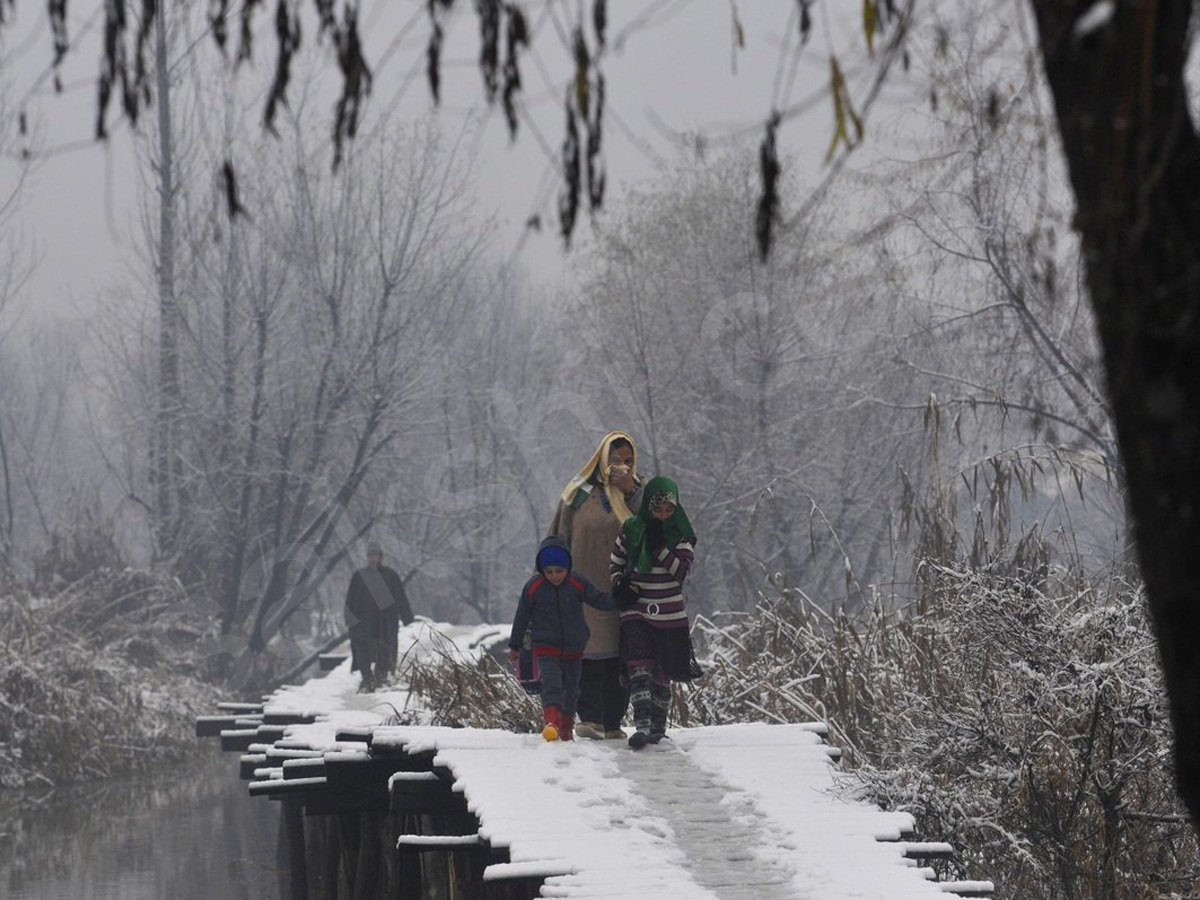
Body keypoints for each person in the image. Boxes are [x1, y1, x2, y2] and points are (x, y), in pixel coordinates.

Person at [548, 432, 643, 740]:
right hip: (582, 587)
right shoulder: (577, 494)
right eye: (616, 460)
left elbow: (656, 530)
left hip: (625, 590)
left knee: (620, 655)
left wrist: (631, 491)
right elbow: (557, 537)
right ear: (601, 460)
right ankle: (590, 718)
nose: (622, 467)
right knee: (587, 650)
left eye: (628, 461)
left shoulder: (640, 495)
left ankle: (614, 720)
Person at [610, 476, 699, 749]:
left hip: (670, 615)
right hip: (636, 611)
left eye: (668, 510)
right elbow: (616, 563)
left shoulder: (681, 534)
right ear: (647, 507)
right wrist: (621, 585)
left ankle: (658, 728)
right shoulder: (632, 529)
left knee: (662, 672)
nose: (662, 516)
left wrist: (659, 547)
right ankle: (642, 726)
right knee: (639, 668)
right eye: (657, 510)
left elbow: (680, 572)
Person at [507, 536, 616, 742]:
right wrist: (515, 645)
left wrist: (620, 598)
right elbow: (521, 616)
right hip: (545, 647)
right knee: (551, 683)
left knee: (573, 689)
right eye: (549, 572)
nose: (554, 576)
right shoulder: (534, 587)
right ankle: (551, 722)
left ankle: (566, 726)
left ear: (567, 567)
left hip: (574, 648)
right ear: (542, 570)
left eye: (559, 571)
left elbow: (598, 599)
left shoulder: (577, 582)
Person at [344, 541, 414, 693]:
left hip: (385, 621)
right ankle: (367, 678)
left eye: (375, 555)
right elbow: (351, 598)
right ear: (367, 557)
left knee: (385, 649)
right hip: (364, 621)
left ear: (381, 557)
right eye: (370, 555)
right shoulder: (359, 576)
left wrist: (407, 617)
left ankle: (380, 678)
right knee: (363, 649)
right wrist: (349, 618)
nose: (373, 558)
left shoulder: (390, 576)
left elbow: (400, 596)